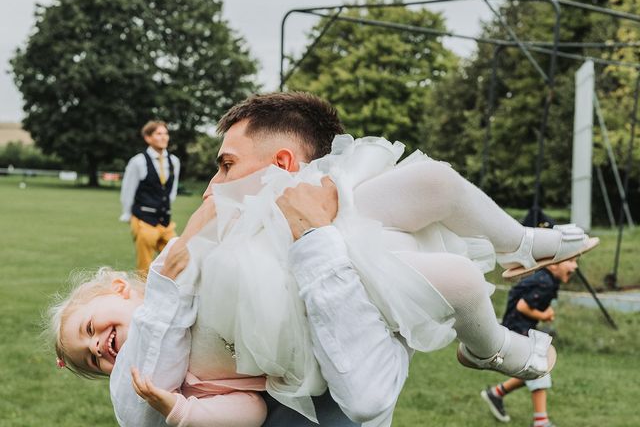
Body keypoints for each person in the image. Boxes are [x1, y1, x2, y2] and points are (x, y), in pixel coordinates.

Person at [50, 93, 597, 427]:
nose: (212, 183)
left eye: (224, 164)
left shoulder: (220, 239)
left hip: (325, 255)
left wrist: (303, 222)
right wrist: (184, 408)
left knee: (433, 181)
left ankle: (518, 246)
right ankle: (493, 347)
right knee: (455, 276)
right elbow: (221, 404)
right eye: (90, 353)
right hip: (305, 301)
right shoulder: (161, 355)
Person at [480, 256, 578, 427]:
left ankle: (496, 393)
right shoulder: (545, 282)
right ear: (554, 266)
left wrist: (543, 311)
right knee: (539, 368)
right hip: (518, 329)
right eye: (571, 261)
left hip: (518, 327)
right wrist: (544, 315)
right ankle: (541, 421)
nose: (575, 266)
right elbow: (522, 306)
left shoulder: (546, 279)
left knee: (534, 370)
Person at [119, 120, 180, 276]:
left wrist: (165, 206)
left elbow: (171, 189)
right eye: (159, 133)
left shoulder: (174, 161)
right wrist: (127, 213)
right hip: (143, 220)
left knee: (178, 256)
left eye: (166, 133)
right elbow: (128, 189)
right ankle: (142, 297)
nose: (164, 137)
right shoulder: (138, 161)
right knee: (144, 267)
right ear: (148, 138)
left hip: (165, 221)